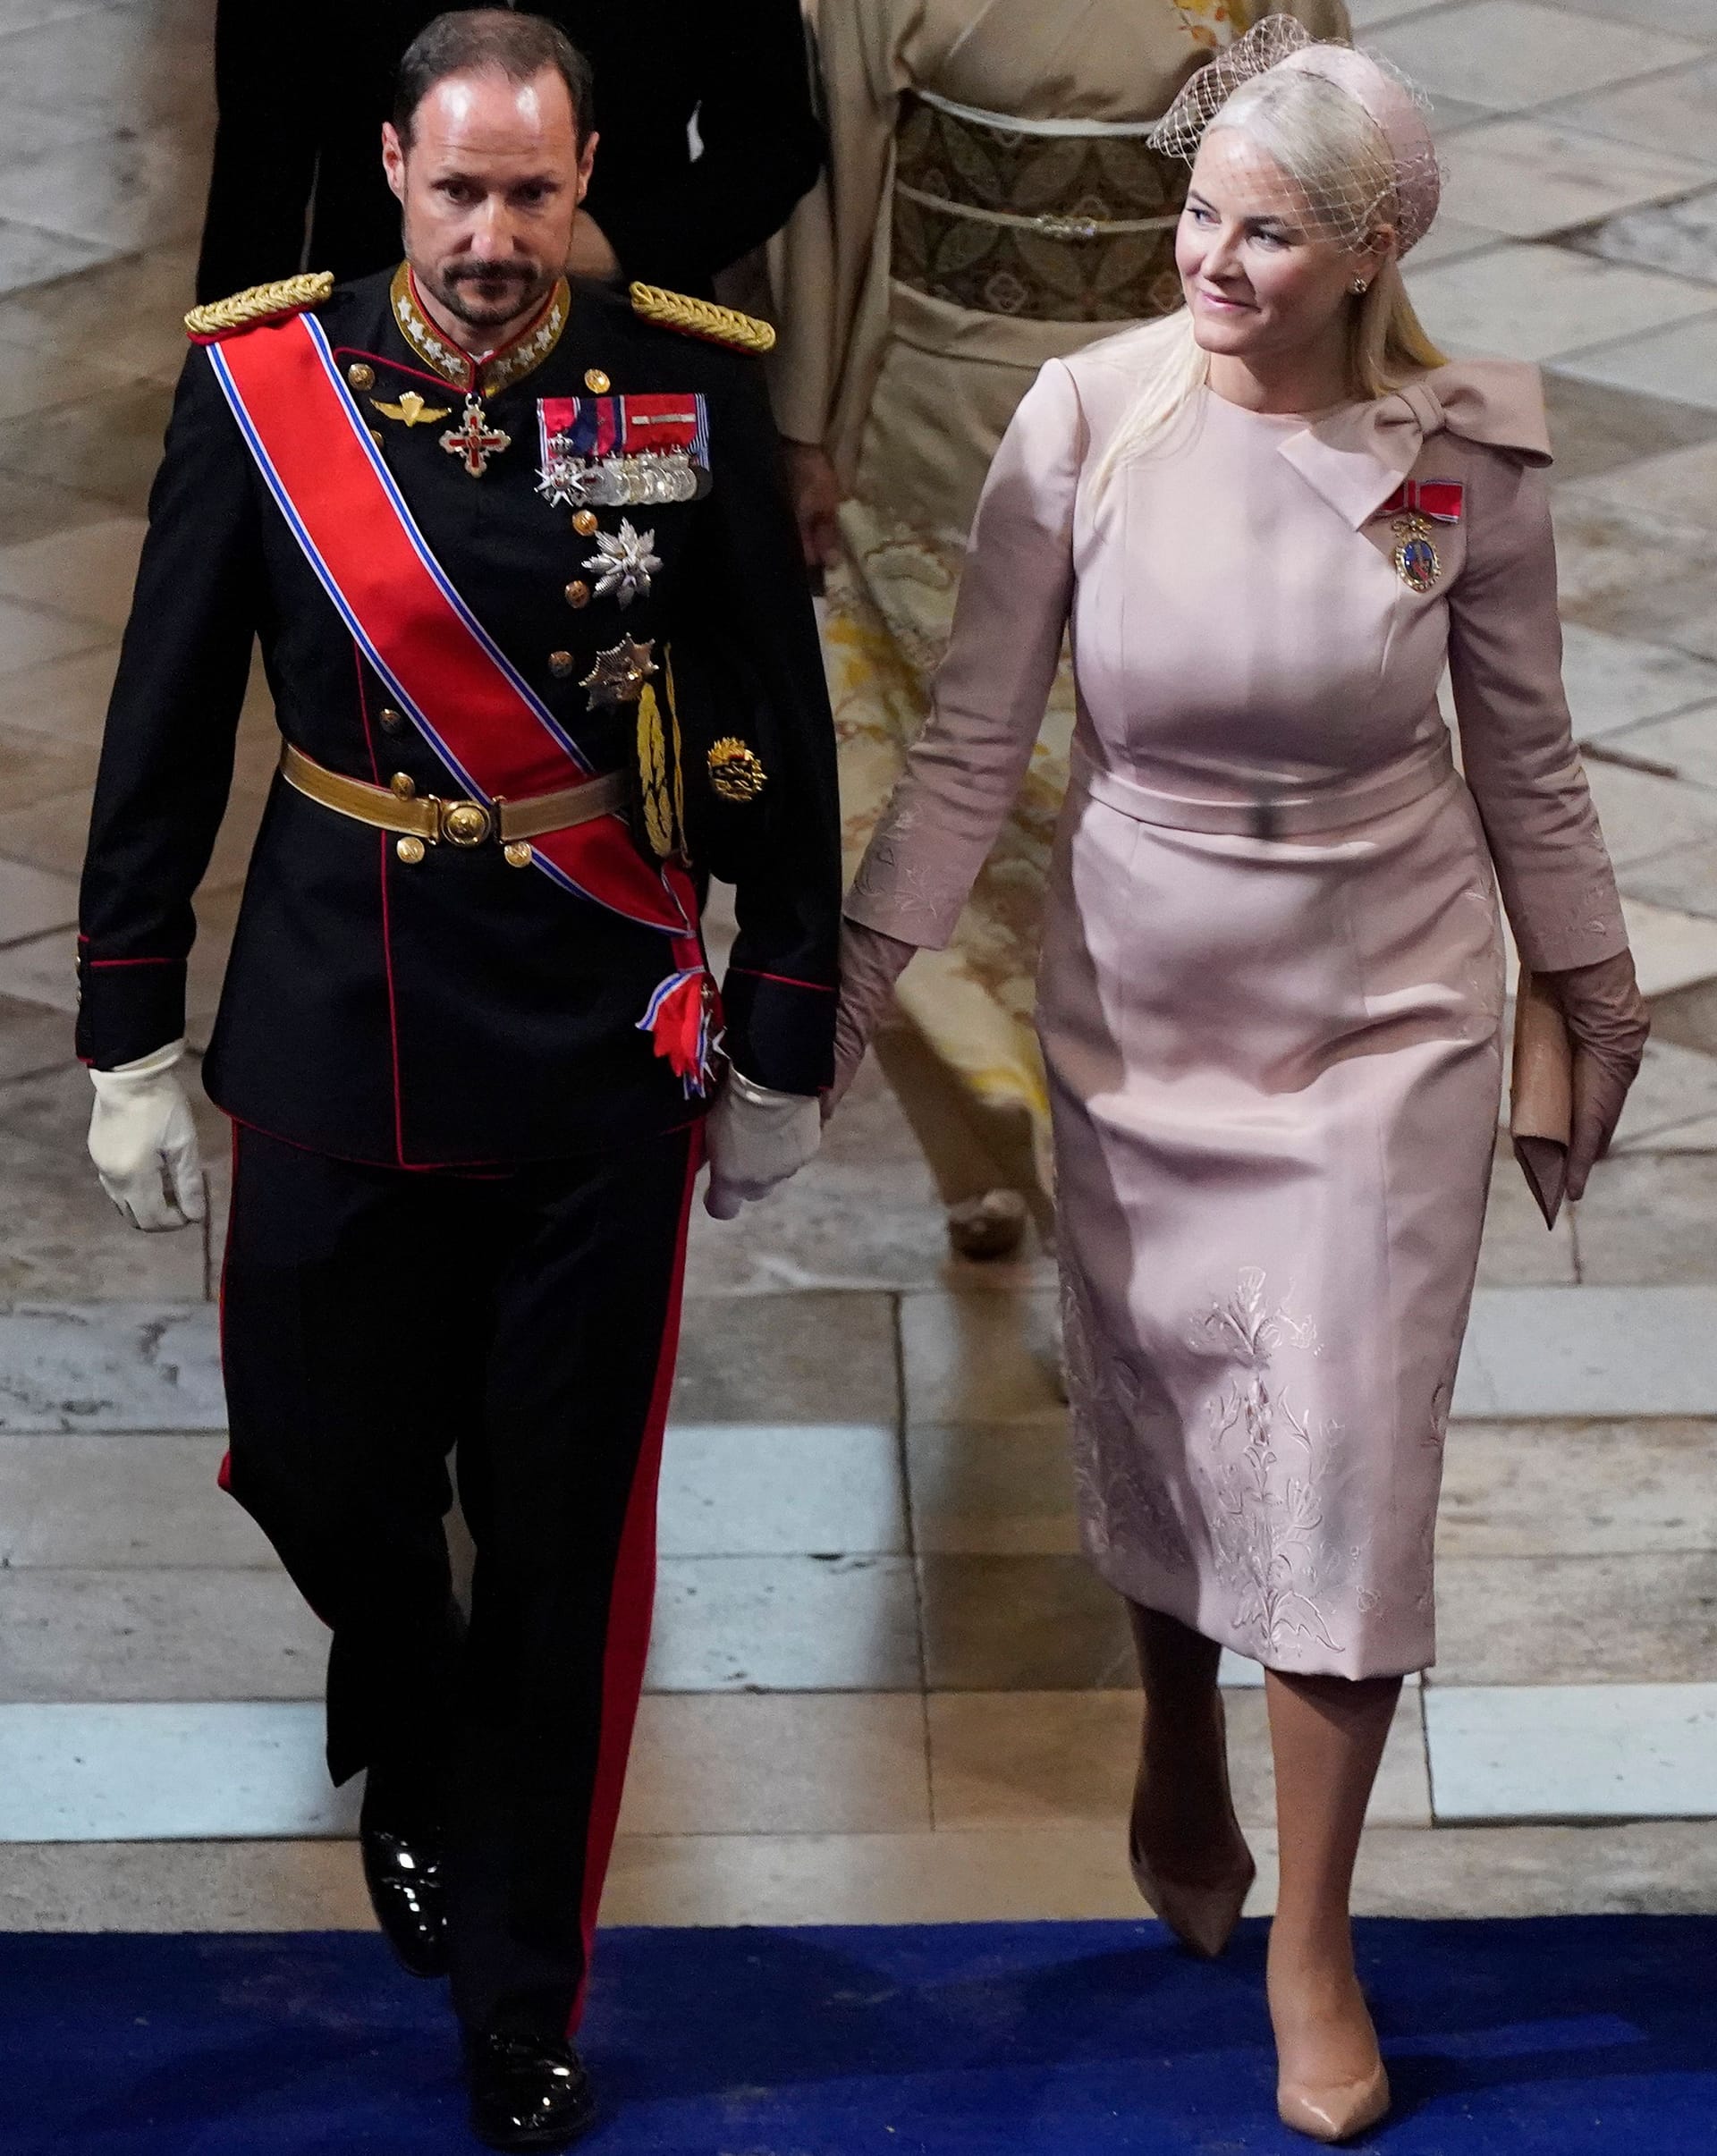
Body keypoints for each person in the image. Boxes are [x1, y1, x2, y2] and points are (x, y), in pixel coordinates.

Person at [827, 20, 1647, 2143]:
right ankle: (1174, 1723)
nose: (1202, 258)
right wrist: (848, 971)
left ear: (1368, 253)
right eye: (1196, 214)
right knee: (1175, 1396)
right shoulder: (1082, 421)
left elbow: (1530, 759)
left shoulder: (1461, 457)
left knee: (1347, 1453)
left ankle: (1314, 1932)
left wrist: (1596, 992)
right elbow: (964, 746)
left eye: (1260, 233)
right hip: (1140, 1000)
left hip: (1386, 1015)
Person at [79, 13, 838, 2147]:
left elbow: (774, 716)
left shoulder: (682, 379)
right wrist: (130, 1020)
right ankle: (404, 1717)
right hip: (337, 1018)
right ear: (390, 172)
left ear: (586, 177)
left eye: (535, 195)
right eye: (456, 193)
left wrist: (783, 1018)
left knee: (569, 1547)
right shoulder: (265, 381)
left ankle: (524, 1996)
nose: (496, 240)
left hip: (596, 1047)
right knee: (318, 1466)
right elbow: (162, 718)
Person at [772, 0, 1346, 1259]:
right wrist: (808, 418)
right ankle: (981, 1141)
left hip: (1183, 399)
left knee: (1141, 811)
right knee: (933, 808)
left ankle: (1126, 1142)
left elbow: (1320, 166)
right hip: (939, 418)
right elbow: (837, 186)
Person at [195, 0, 824, 304]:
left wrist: (613, 242)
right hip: (379, 334)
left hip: (619, 331)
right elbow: (258, 178)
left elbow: (773, 144)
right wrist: (226, 408)